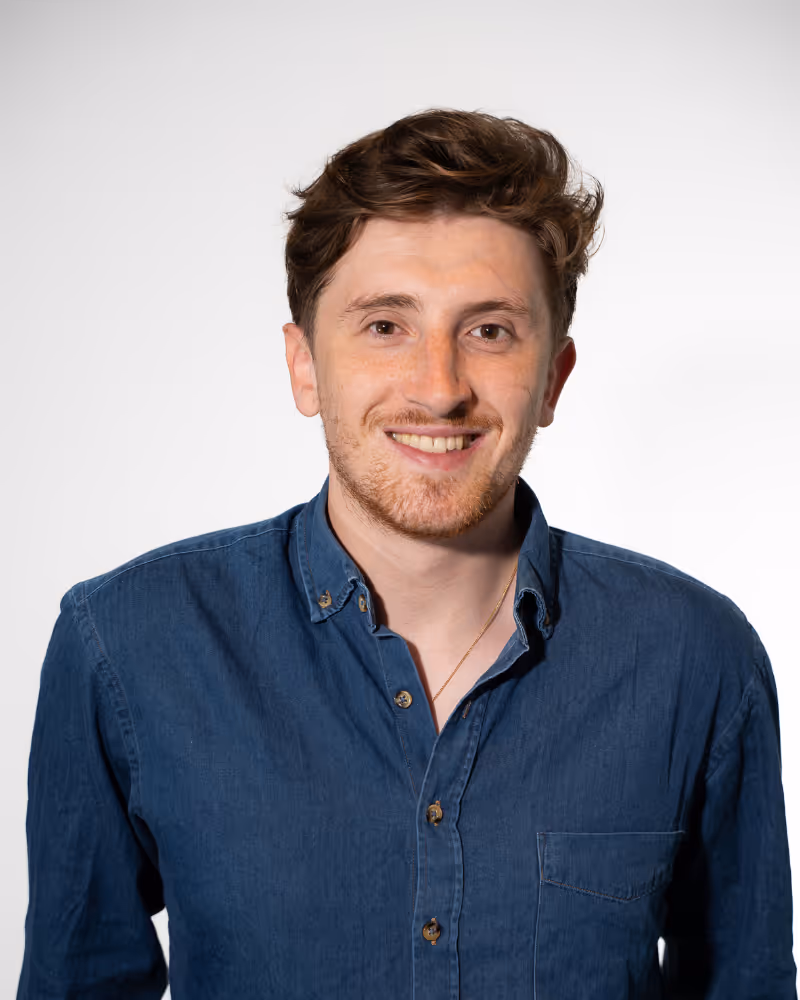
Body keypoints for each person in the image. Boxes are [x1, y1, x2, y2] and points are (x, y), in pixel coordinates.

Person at [17, 108, 796, 999]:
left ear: (553, 378)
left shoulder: (696, 657)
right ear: (305, 366)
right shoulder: (126, 645)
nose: (439, 388)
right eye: (386, 325)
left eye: (489, 330)